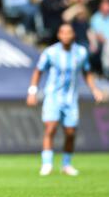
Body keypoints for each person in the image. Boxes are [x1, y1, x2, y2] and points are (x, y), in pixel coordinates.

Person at [26, 24, 104, 177]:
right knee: (50, 128)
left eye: (69, 32)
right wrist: (32, 91)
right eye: (63, 32)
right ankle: (47, 164)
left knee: (70, 132)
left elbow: (87, 72)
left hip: (71, 98)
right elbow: (38, 71)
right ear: (59, 35)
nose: (66, 35)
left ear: (73, 35)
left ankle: (66, 164)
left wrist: (95, 89)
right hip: (53, 97)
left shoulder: (81, 52)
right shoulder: (51, 52)